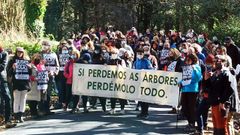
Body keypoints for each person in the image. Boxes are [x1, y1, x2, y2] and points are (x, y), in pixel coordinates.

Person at [8, 47, 32, 123]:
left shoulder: (26, 61)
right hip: (16, 83)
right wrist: (13, 68)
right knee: (16, 99)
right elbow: (9, 72)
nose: (20, 53)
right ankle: (16, 116)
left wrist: (30, 68)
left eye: (21, 52)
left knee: (23, 99)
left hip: (25, 82)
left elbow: (30, 73)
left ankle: (20, 115)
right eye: (18, 52)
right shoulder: (12, 61)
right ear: (16, 52)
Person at [179, 53, 202, 132]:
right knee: (185, 107)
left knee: (191, 108)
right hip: (185, 89)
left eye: (188, 60)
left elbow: (198, 78)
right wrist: (180, 82)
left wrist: (193, 69)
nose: (186, 61)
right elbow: (184, 77)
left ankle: (192, 123)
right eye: (186, 60)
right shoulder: (186, 67)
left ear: (193, 60)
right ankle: (189, 122)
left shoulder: (196, 67)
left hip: (192, 90)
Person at [40, 41, 59, 115]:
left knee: (48, 92)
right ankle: (41, 109)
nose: (44, 46)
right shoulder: (40, 54)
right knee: (42, 93)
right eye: (43, 45)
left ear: (49, 46)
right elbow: (36, 63)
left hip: (51, 76)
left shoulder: (53, 54)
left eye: (46, 45)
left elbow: (57, 65)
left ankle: (47, 109)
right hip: (42, 76)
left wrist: (54, 72)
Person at [133, 48, 153, 119]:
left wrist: (144, 71)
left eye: (140, 54)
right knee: (140, 98)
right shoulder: (135, 62)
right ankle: (142, 112)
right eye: (138, 53)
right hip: (138, 82)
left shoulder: (146, 61)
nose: (139, 55)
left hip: (145, 82)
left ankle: (146, 113)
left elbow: (151, 69)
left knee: (145, 99)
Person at [0, 44, 16, 128]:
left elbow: (3, 66)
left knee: (7, 98)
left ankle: (8, 121)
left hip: (2, 79)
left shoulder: (4, 53)